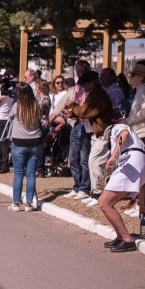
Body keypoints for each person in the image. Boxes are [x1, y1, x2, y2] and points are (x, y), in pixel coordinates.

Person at [63, 71, 114, 205]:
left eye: (85, 85)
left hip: (102, 132)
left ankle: (98, 194)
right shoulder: (94, 93)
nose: (83, 88)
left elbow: (85, 111)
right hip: (97, 132)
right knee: (94, 162)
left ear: (92, 83)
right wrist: (73, 113)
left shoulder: (97, 94)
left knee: (95, 162)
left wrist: (72, 106)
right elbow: (86, 113)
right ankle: (96, 192)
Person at [98, 124, 145, 253]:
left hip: (130, 161)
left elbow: (124, 133)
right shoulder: (139, 145)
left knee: (104, 203)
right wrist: (142, 206)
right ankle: (121, 236)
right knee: (106, 203)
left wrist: (113, 156)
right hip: (140, 165)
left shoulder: (117, 127)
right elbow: (142, 183)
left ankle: (127, 239)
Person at [118, 63, 145, 216]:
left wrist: (128, 120)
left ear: (141, 77)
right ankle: (139, 203)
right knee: (142, 171)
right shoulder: (141, 90)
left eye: (134, 75)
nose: (131, 78)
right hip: (141, 133)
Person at [8, 84, 43, 211]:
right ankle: (29, 203)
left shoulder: (17, 106)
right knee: (31, 173)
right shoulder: (36, 105)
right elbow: (40, 118)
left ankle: (16, 203)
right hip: (34, 141)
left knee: (18, 173)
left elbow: (9, 118)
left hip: (19, 142)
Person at [62, 60, 93, 200]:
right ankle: (77, 186)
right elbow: (75, 102)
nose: (80, 74)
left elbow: (85, 105)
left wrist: (74, 106)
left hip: (86, 123)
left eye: (82, 72)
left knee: (84, 158)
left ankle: (85, 188)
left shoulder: (91, 87)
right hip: (76, 122)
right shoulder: (77, 86)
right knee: (73, 157)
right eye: (78, 72)